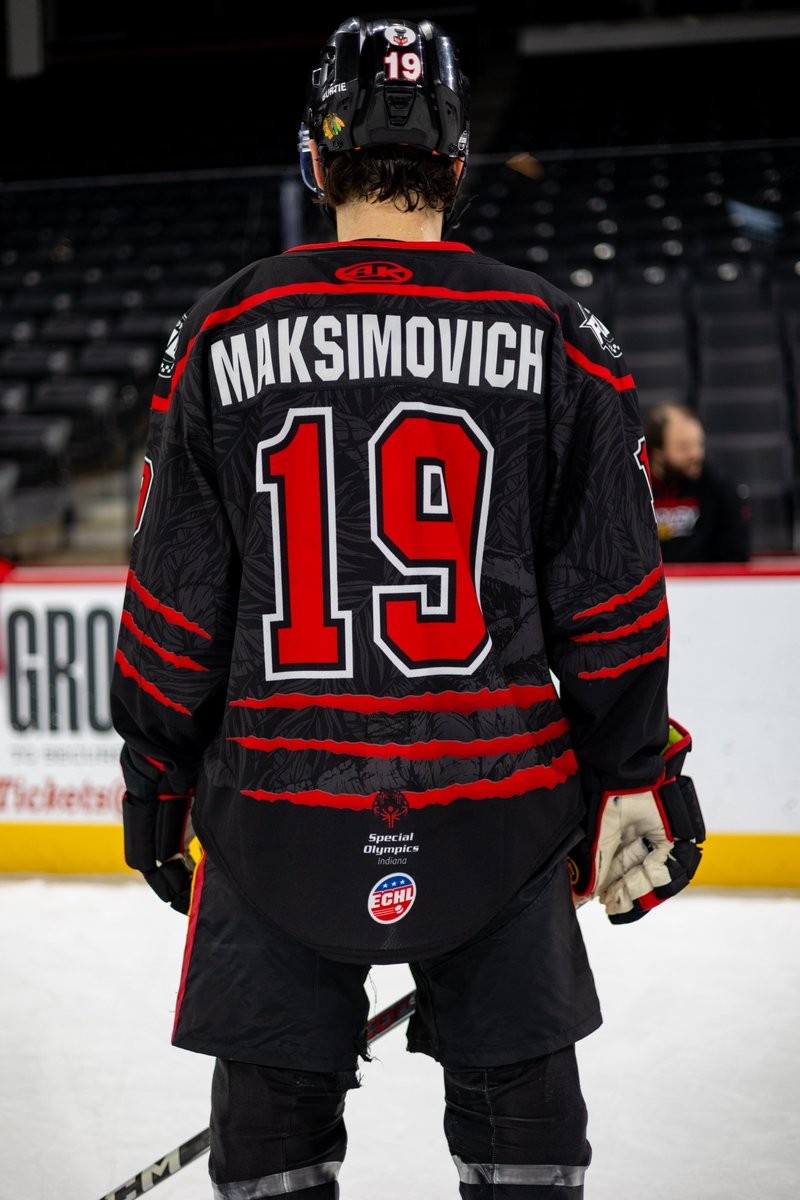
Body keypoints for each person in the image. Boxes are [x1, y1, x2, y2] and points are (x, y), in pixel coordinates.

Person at [109, 16, 706, 1199]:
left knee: (269, 1153)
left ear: (315, 157)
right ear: (455, 158)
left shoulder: (219, 332)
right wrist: (639, 773)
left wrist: (154, 777)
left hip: (275, 819)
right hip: (501, 818)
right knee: (525, 1148)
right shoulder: (556, 335)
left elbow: (174, 604)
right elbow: (613, 601)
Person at [643, 400, 751, 562]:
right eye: (684, 447)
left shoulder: (719, 488)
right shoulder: (634, 492)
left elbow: (737, 556)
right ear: (657, 453)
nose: (696, 454)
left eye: (699, 444)